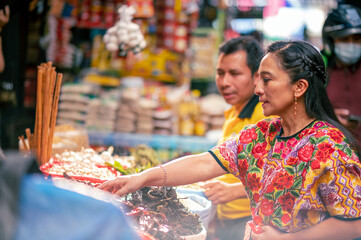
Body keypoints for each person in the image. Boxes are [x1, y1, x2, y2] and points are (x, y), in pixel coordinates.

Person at [99, 40, 361, 240]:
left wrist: (290, 239)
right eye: (258, 79)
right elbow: (205, 163)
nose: (258, 89)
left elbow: (355, 222)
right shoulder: (263, 134)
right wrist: (142, 178)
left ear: (299, 87)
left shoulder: (330, 146)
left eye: (267, 80)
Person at [203, 36, 268, 240]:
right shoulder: (234, 112)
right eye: (220, 73)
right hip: (226, 219)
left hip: (250, 221)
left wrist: (235, 191)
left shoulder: (263, 116)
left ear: (256, 77)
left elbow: (284, 175)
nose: (224, 82)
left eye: (235, 74)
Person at [321, 4, 361, 146]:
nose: (351, 45)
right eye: (344, 39)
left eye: (356, 39)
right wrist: (329, 115)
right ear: (331, 42)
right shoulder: (320, 68)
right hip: (331, 152)